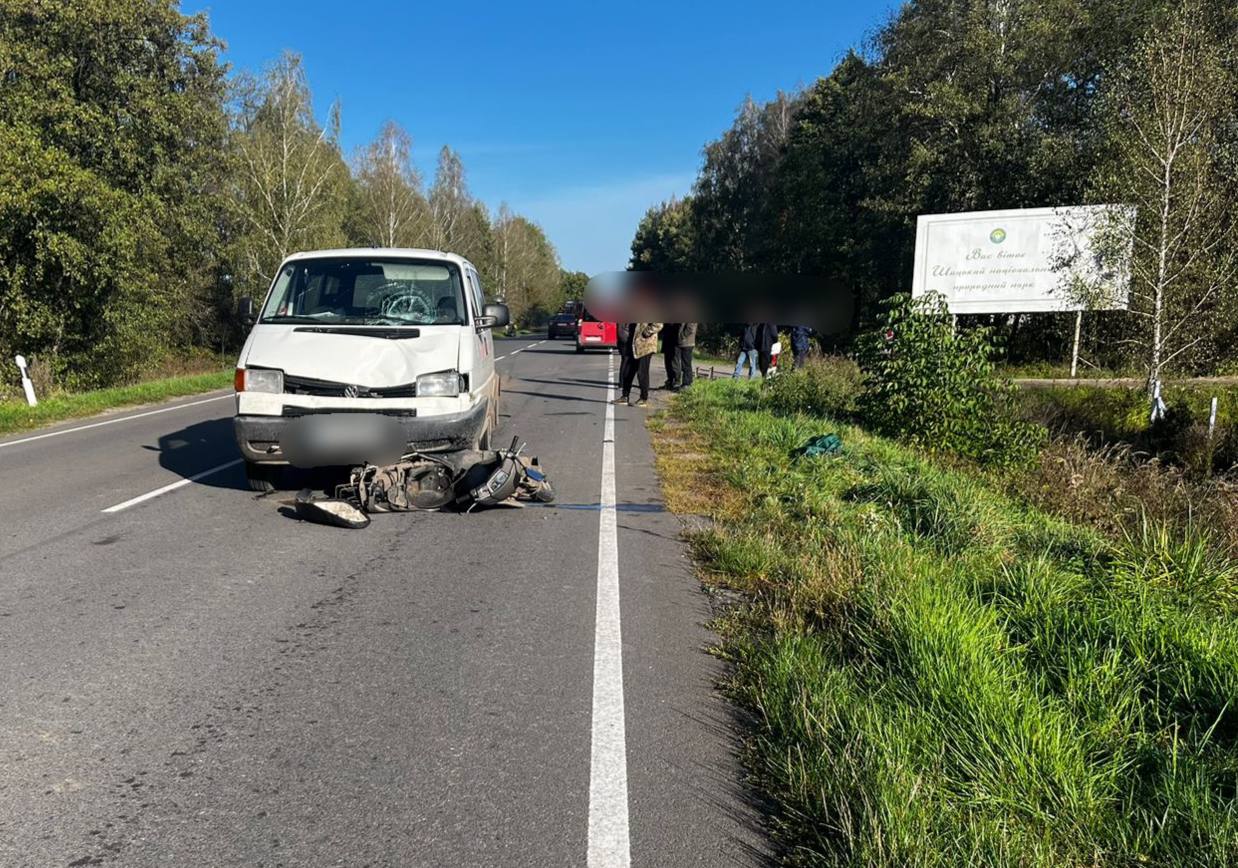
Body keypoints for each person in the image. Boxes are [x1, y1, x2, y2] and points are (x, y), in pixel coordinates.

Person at [615, 322, 662, 407]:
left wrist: (646, 332)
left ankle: (644, 398)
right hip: (634, 345)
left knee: (642, 373)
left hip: (646, 345)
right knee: (628, 371)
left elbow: (658, 324)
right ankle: (625, 396)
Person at [676, 322, 697, 389]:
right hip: (684, 343)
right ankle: (685, 383)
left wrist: (682, 336)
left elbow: (690, 328)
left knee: (686, 364)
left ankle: (687, 383)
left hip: (688, 343)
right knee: (684, 364)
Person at [660, 323, 681, 390]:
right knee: (667, 362)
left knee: (674, 362)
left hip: (675, 340)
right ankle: (670, 380)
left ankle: (676, 381)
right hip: (667, 339)